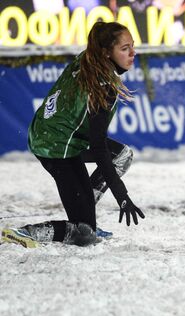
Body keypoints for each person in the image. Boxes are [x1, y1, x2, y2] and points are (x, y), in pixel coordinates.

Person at [1, 21, 144, 249]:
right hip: (56, 147)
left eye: (132, 46)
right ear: (106, 53)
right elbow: (98, 149)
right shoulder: (104, 89)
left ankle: (85, 206)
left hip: (49, 131)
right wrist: (122, 195)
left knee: (122, 155)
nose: (133, 52)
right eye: (125, 48)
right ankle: (23, 233)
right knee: (84, 234)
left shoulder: (88, 58)